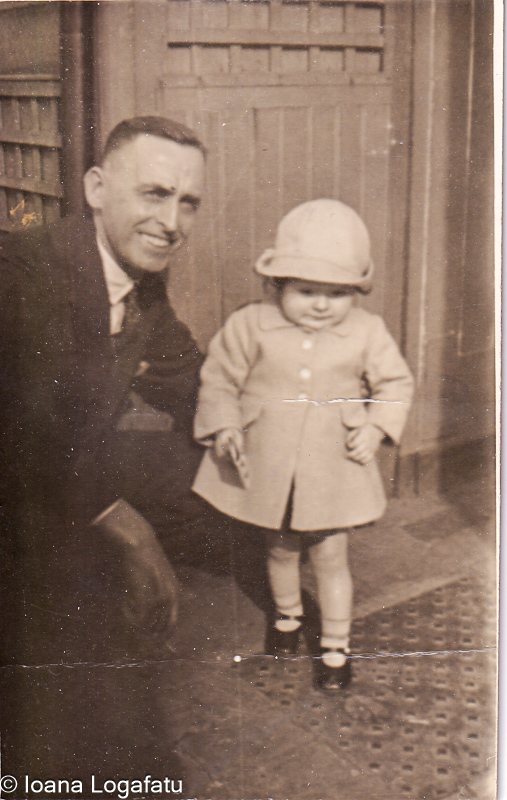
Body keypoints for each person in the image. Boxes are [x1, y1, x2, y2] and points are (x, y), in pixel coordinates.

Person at [0, 117, 206, 782]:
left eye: (187, 202)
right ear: (95, 187)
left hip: (49, 506)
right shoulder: (27, 274)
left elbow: (183, 374)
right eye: (153, 193)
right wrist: (133, 534)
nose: (172, 220)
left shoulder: (136, 273)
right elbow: (26, 435)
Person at [192, 199, 414, 691]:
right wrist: (225, 425)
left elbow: (395, 384)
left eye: (336, 293)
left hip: (332, 468)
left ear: (356, 291)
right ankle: (287, 619)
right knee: (280, 550)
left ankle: (336, 646)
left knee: (332, 558)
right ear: (277, 285)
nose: (320, 304)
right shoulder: (251, 324)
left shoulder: (366, 331)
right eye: (306, 290)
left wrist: (376, 426)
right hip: (271, 465)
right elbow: (220, 379)